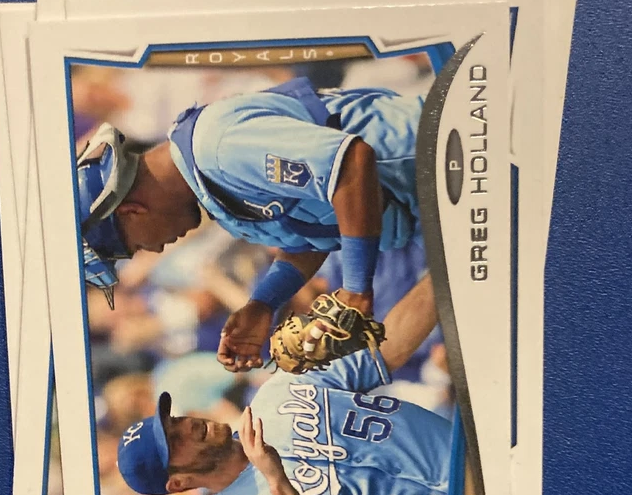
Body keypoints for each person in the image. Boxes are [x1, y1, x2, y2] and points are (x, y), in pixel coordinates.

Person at [115, 279, 471, 495]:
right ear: (179, 482)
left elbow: (384, 350)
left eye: (175, 421)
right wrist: (276, 480)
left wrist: (440, 275)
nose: (188, 426)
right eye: (175, 440)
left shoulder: (276, 392)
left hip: (474, 456)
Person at [76, 78, 430, 367]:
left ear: (131, 210)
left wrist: (355, 288)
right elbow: (312, 235)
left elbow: (350, 164)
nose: (153, 250)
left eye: (136, 246)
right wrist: (264, 303)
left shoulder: (218, 148)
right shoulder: (206, 189)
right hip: (428, 205)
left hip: (438, 155)